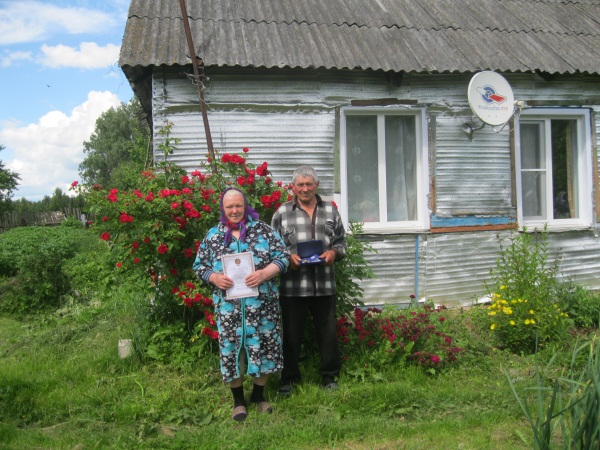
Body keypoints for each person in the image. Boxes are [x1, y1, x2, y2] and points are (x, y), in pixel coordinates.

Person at [193, 187, 290, 421]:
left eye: (239, 206)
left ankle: (258, 395)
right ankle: (238, 401)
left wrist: (265, 273)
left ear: (245, 206)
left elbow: (283, 257)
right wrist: (214, 278)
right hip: (229, 310)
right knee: (231, 351)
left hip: (262, 307)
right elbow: (199, 266)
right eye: (229, 207)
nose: (234, 210)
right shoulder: (213, 235)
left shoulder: (263, 231)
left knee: (264, 347)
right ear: (223, 209)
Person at [270, 166, 347, 395]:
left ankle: (329, 377)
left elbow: (342, 242)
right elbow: (272, 247)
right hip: (293, 288)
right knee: (291, 335)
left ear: (317, 184)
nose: (304, 189)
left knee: (328, 333)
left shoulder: (330, 211)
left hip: (324, 285)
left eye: (309, 184)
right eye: (300, 185)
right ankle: (289, 379)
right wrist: (286, 258)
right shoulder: (282, 212)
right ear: (293, 187)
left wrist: (334, 254)